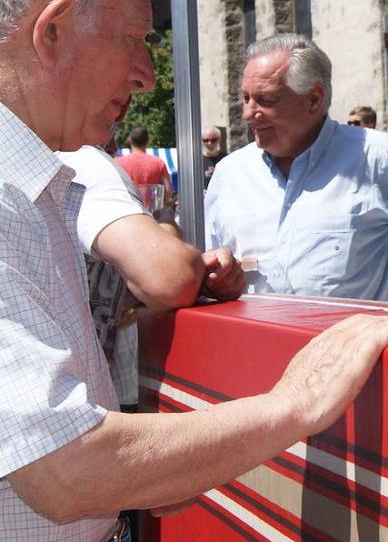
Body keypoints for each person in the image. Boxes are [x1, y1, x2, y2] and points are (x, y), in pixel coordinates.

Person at [0, 0, 388, 542]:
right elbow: (64, 471)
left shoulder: (38, 180)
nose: (146, 75)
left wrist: (158, 468)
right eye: (133, 38)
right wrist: (298, 403)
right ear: (52, 31)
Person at [205, 35, 388, 300]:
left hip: (354, 329)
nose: (248, 113)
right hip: (249, 329)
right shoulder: (229, 174)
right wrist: (216, 279)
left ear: (314, 99)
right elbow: (206, 272)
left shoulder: (376, 158)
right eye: (246, 98)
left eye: (267, 99)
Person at [57, 144, 246, 410]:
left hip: (85, 394)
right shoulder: (87, 162)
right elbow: (171, 277)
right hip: (76, 402)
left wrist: (204, 277)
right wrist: (167, 223)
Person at [114, 124, 172, 203]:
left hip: (128, 207)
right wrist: (160, 204)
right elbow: (168, 190)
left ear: (129, 140)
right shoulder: (159, 163)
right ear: (148, 141)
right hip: (150, 209)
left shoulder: (118, 162)